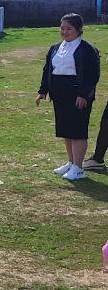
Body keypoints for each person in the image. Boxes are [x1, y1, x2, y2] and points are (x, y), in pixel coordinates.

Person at [36, 13, 100, 182]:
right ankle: (70, 162)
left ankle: (78, 168)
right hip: (59, 92)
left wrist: (84, 94)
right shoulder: (55, 48)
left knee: (78, 129)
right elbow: (47, 70)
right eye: (62, 28)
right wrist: (43, 91)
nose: (65, 31)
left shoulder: (87, 50)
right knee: (66, 128)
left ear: (78, 30)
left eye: (69, 28)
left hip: (78, 94)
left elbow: (92, 75)